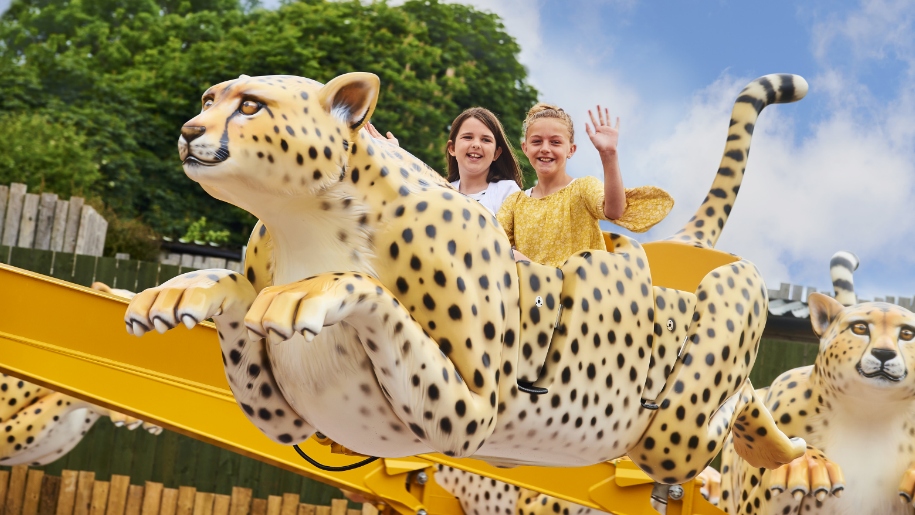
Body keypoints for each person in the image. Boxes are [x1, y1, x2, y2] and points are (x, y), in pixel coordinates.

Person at [496, 103, 674, 267]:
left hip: (581, 296)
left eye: (555, 142)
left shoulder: (582, 188)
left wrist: (608, 155)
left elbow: (614, 210)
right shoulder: (515, 203)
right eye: (536, 141)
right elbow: (493, 243)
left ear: (571, 150)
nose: (545, 148)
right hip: (534, 299)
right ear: (525, 148)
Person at [366, 107, 523, 215]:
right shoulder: (441, 191)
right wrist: (395, 155)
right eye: (468, 137)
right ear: (452, 148)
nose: (476, 144)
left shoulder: (507, 191)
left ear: (497, 153)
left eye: (486, 140)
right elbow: (408, 196)